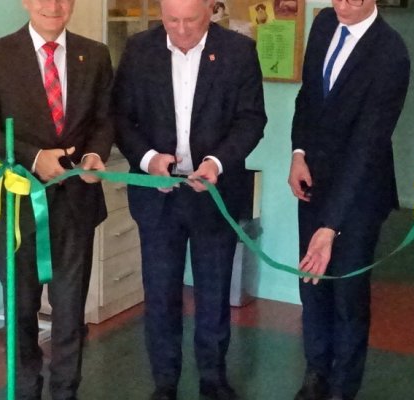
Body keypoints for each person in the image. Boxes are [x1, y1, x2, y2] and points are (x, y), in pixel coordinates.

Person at [112, 0, 266, 398]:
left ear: (210, 11)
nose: (181, 30)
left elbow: (251, 119)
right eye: (172, 20)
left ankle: (213, 379)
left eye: (191, 20)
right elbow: (120, 117)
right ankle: (165, 382)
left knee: (213, 294)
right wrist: (148, 159)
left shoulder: (238, 52)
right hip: (158, 195)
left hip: (214, 192)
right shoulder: (139, 50)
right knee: (160, 294)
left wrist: (217, 162)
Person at [0, 0, 116, 398]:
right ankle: (26, 390)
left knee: (70, 313)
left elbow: (104, 120)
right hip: (17, 208)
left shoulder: (95, 55)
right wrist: (33, 158)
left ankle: (66, 391)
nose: (53, 6)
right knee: (20, 311)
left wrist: (94, 154)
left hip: (77, 205)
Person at [286, 0, 410, 398]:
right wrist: (298, 153)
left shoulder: (391, 52)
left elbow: (367, 146)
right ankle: (316, 373)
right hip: (314, 183)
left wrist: (331, 226)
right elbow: (308, 97)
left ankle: (343, 387)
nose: (343, 4)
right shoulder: (324, 23)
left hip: (360, 194)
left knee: (347, 295)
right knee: (312, 284)